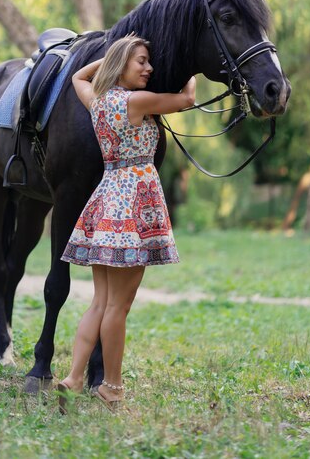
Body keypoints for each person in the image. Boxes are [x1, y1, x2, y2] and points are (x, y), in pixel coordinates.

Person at [57, 34, 196, 413]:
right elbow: (187, 99)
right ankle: (111, 386)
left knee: (101, 303)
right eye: (141, 61)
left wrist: (110, 59)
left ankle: (73, 376)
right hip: (134, 205)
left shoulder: (98, 101)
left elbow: (77, 79)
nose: (149, 68)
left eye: (149, 62)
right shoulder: (136, 101)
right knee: (118, 307)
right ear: (123, 65)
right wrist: (188, 65)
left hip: (107, 201)